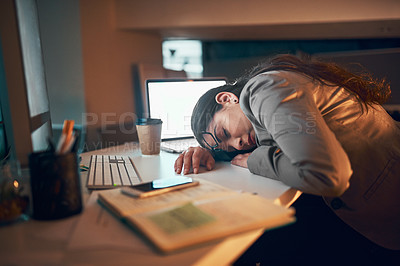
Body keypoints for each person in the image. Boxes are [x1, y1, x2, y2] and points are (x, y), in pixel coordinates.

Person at [174, 54, 400, 265]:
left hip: (384, 210)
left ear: (227, 98)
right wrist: (209, 152)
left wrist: (258, 160)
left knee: (259, 242)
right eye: (228, 145)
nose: (237, 145)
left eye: (223, 133)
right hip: (373, 192)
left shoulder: (264, 90)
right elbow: (246, 144)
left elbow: (325, 176)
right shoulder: (267, 91)